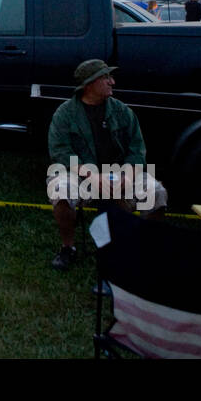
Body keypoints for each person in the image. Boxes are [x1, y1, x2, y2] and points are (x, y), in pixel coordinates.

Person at [46, 59, 166, 271]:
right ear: (89, 84)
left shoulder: (122, 112)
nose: (112, 81)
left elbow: (137, 151)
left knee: (156, 193)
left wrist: (127, 176)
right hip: (82, 174)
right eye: (105, 78)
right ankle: (68, 248)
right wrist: (91, 175)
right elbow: (61, 152)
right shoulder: (64, 114)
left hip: (120, 174)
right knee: (60, 190)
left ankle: (147, 247)